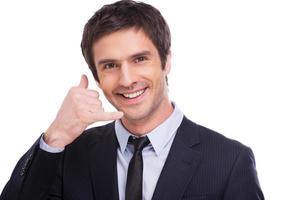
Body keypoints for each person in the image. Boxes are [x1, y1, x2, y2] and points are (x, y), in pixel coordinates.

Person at [0, 0, 264, 199]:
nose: (126, 79)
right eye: (110, 65)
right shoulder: (70, 154)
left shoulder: (229, 161)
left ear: (166, 60)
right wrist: (55, 135)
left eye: (139, 59)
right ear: (96, 76)